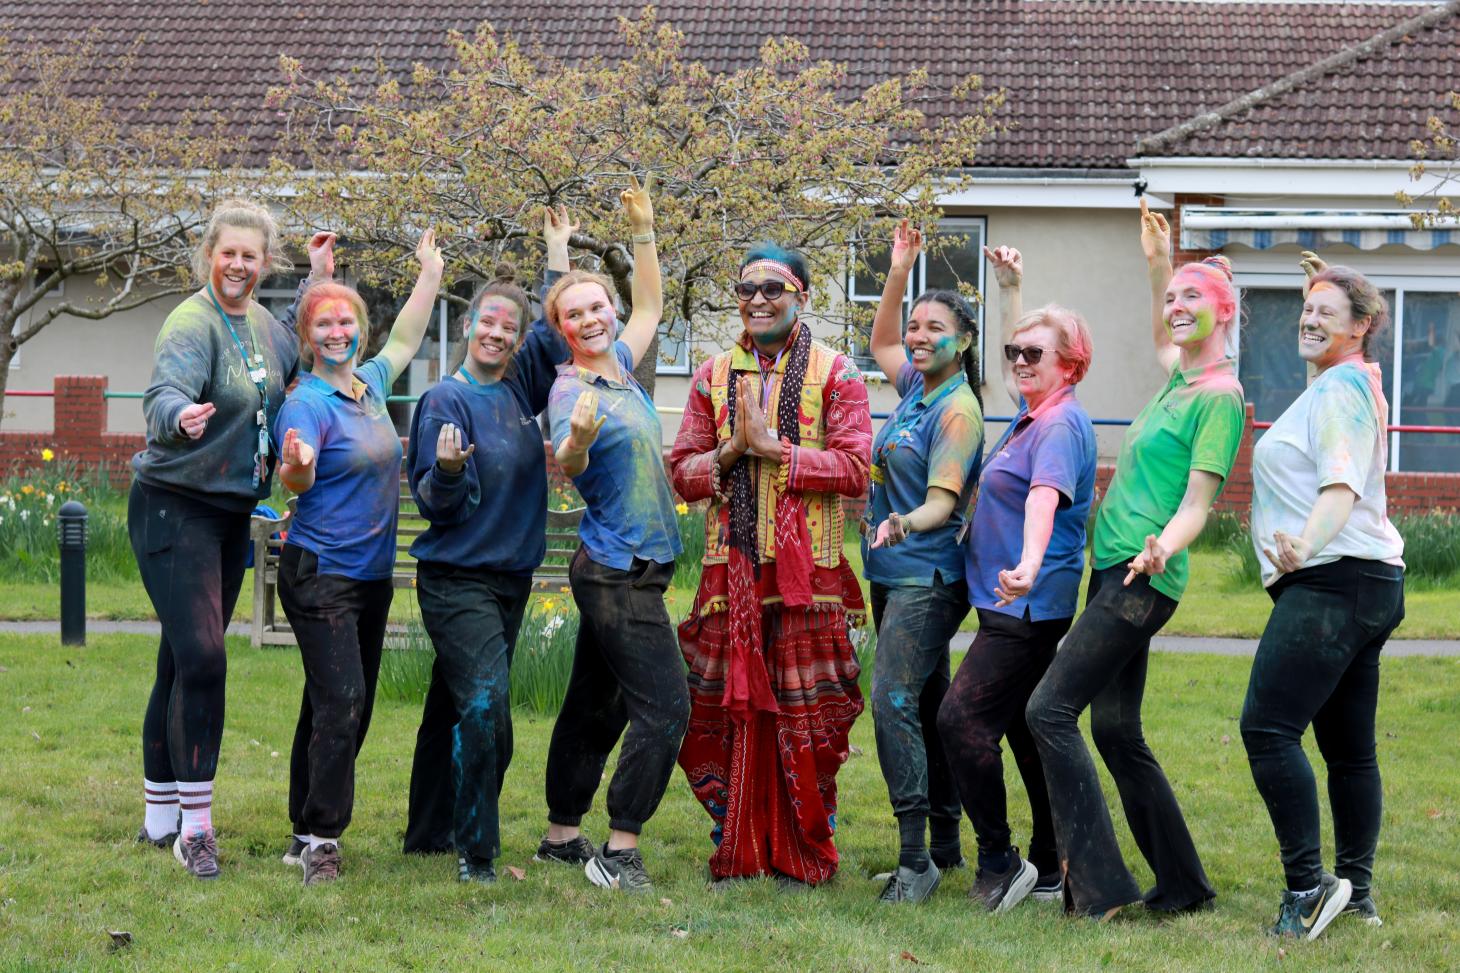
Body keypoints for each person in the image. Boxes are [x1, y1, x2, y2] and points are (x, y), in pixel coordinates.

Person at [1025, 199, 1244, 918]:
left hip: (1143, 578)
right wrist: (1159, 264)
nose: (1177, 308)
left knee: (1049, 708)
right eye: (1174, 298)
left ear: (1225, 312)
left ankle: (1099, 888)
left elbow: (1199, 503)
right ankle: (1184, 885)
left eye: (1193, 298)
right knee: (1115, 730)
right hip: (1114, 568)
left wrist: (1163, 548)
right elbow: (1162, 332)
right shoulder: (1178, 379)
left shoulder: (1219, 398)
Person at [670, 242, 872, 888]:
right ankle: (737, 838)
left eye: (773, 289)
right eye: (746, 289)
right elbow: (683, 473)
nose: (757, 300)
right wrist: (733, 450)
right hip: (728, 573)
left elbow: (856, 469)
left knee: (808, 715)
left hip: (808, 578)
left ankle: (806, 841)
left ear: (801, 296)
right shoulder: (711, 375)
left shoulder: (838, 372)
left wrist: (777, 451)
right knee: (718, 710)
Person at [130, 200, 320, 879]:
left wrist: (318, 279)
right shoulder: (191, 323)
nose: (238, 265)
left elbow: (295, 352)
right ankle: (196, 829)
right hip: (173, 508)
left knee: (181, 661)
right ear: (209, 254)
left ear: (265, 262)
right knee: (205, 659)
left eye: (250, 255)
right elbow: (162, 394)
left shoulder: (264, 325)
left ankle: (159, 817)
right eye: (228, 253)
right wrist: (179, 414)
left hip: (230, 513)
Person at [400, 209, 573, 883]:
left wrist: (557, 252)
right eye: (488, 322)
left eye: (509, 327)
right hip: (456, 579)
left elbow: (555, 329)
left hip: (510, 579)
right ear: (468, 324)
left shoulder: (521, 387)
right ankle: (477, 852)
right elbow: (435, 505)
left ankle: (429, 831)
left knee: (452, 702)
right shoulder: (446, 400)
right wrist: (447, 471)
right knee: (486, 711)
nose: (497, 333)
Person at [272, 230, 443, 884]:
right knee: (343, 700)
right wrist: (297, 466)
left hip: (370, 576)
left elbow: (407, 338)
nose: (337, 332)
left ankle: (300, 828)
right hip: (320, 573)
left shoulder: (370, 385)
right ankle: (322, 840)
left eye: (346, 322)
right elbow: (298, 477)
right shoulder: (305, 402)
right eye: (324, 324)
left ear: (360, 331)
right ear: (307, 336)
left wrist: (429, 273)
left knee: (337, 703)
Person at [1241, 258, 1405, 940]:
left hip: (1333, 578)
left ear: (1361, 326)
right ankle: (1356, 897)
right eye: (1305, 309)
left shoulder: (1341, 389)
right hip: (1367, 581)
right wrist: (1323, 281)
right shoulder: (1347, 381)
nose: (1308, 320)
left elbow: (1340, 486)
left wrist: (1305, 544)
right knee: (1349, 748)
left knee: (1267, 728)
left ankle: (1310, 889)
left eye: (1326, 313)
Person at [538, 175, 688, 893]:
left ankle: (561, 835)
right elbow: (568, 463)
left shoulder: (621, 367)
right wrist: (575, 439)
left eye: (598, 306)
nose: (591, 319)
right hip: (617, 571)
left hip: (626, 566)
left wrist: (643, 231)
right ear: (562, 328)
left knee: (595, 704)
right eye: (575, 313)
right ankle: (619, 848)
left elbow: (652, 304)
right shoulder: (572, 390)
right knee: (665, 708)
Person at [937, 245, 1097, 913]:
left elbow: (1043, 497)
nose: (1021, 362)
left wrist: (1029, 561)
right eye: (1014, 352)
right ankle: (1053, 862)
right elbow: (1015, 369)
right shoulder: (1033, 412)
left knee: (962, 720)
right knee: (1028, 730)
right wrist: (1011, 290)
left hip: (1026, 607)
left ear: (1070, 364)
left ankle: (1000, 861)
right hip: (1014, 601)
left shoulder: (1057, 425)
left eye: (1036, 353)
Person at [858, 221, 984, 903]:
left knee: (892, 700)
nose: (917, 337)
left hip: (926, 578)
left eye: (935, 328)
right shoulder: (917, 387)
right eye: (917, 326)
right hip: (893, 575)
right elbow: (881, 341)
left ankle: (915, 861)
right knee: (929, 701)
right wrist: (899, 270)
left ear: (963, 340)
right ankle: (944, 845)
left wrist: (902, 521)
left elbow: (942, 502)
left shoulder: (956, 410)